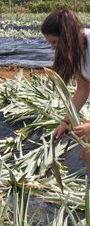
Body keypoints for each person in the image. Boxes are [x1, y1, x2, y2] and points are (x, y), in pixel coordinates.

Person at [41, 9, 90, 174]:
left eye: (54, 42)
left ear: (67, 36)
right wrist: (65, 122)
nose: (52, 47)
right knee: (87, 152)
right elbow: (82, 90)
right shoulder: (78, 51)